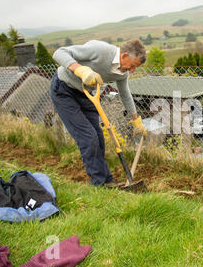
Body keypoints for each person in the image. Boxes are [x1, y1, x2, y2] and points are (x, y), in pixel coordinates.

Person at [51, 39, 147, 188]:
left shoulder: (122, 74)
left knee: (98, 138)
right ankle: (98, 183)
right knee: (88, 137)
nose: (132, 70)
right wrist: (79, 69)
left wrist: (136, 121)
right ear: (124, 55)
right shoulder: (100, 50)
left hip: (87, 94)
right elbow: (59, 53)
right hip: (64, 90)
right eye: (132, 66)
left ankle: (107, 180)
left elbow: (125, 94)